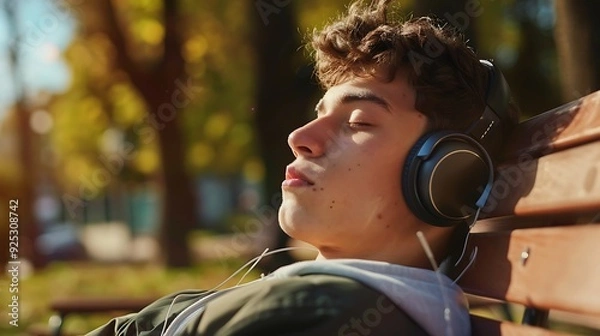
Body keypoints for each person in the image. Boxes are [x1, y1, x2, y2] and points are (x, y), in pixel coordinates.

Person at [88, 0, 519, 335]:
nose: (300, 138)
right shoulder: (314, 299)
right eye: (319, 113)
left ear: (444, 176)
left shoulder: (323, 315)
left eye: (358, 122)